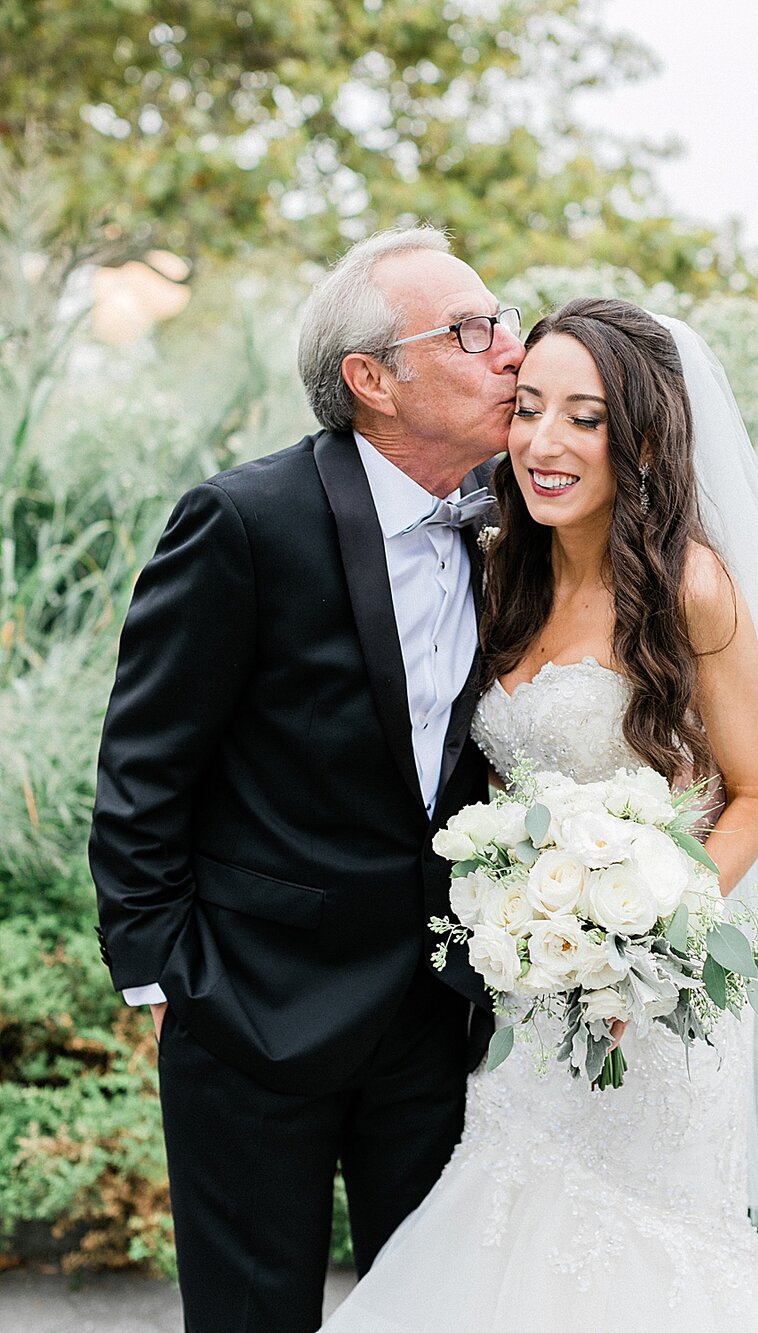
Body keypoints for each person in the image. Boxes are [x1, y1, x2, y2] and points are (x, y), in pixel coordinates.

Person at [322, 299, 758, 1329]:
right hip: (529, 998)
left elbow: (755, 797)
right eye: (527, 406)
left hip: (664, 1003)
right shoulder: (499, 572)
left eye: (583, 417)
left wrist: (648, 945)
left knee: (645, 1260)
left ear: (640, 436)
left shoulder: (693, 587)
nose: (544, 442)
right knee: (503, 1233)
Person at [89, 226, 524, 1332]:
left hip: (438, 1016)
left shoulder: (520, 521)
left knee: (427, 1313)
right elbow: (145, 767)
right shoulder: (244, 521)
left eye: (507, 319)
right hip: (252, 1008)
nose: (509, 349)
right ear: (371, 380)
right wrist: (166, 979)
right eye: (471, 331)